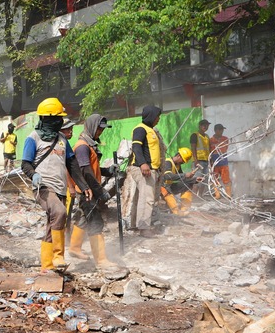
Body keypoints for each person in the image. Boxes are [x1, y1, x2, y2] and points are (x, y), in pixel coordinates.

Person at [21, 97, 91, 272]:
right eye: (57, 117)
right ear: (47, 118)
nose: (60, 121)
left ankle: (47, 266)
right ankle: (58, 256)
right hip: (43, 187)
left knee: (53, 224)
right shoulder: (33, 138)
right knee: (59, 212)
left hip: (60, 188)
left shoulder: (61, 139)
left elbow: (72, 164)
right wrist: (33, 175)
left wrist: (83, 186)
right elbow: (25, 164)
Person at [68, 114, 128, 277]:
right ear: (92, 127)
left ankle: (74, 248)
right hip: (87, 190)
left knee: (83, 218)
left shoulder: (88, 144)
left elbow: (92, 168)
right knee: (96, 222)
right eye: (99, 128)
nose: (101, 131)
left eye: (102, 129)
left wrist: (107, 171)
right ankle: (101, 260)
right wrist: (100, 191)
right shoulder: (82, 147)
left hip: (87, 189)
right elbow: (85, 171)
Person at [122, 105, 165, 238]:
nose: (158, 119)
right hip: (144, 169)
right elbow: (136, 147)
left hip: (151, 169)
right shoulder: (140, 129)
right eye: (157, 116)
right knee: (147, 199)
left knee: (144, 197)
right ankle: (144, 228)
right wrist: (143, 164)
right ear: (151, 116)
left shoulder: (151, 130)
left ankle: (139, 225)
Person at [160, 148, 201, 216]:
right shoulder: (168, 162)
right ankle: (176, 212)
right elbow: (167, 176)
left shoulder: (177, 165)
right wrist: (185, 175)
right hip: (161, 187)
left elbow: (182, 179)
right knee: (166, 189)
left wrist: (194, 180)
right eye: (183, 160)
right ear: (178, 156)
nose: (183, 162)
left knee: (187, 185)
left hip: (170, 186)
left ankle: (184, 208)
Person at [210, 124, 233, 198]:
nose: (222, 131)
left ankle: (228, 195)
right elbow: (210, 151)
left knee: (226, 179)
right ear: (216, 130)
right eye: (220, 130)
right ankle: (217, 195)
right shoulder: (210, 140)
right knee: (215, 179)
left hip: (223, 162)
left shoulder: (225, 139)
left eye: (222, 130)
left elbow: (225, 148)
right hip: (214, 163)